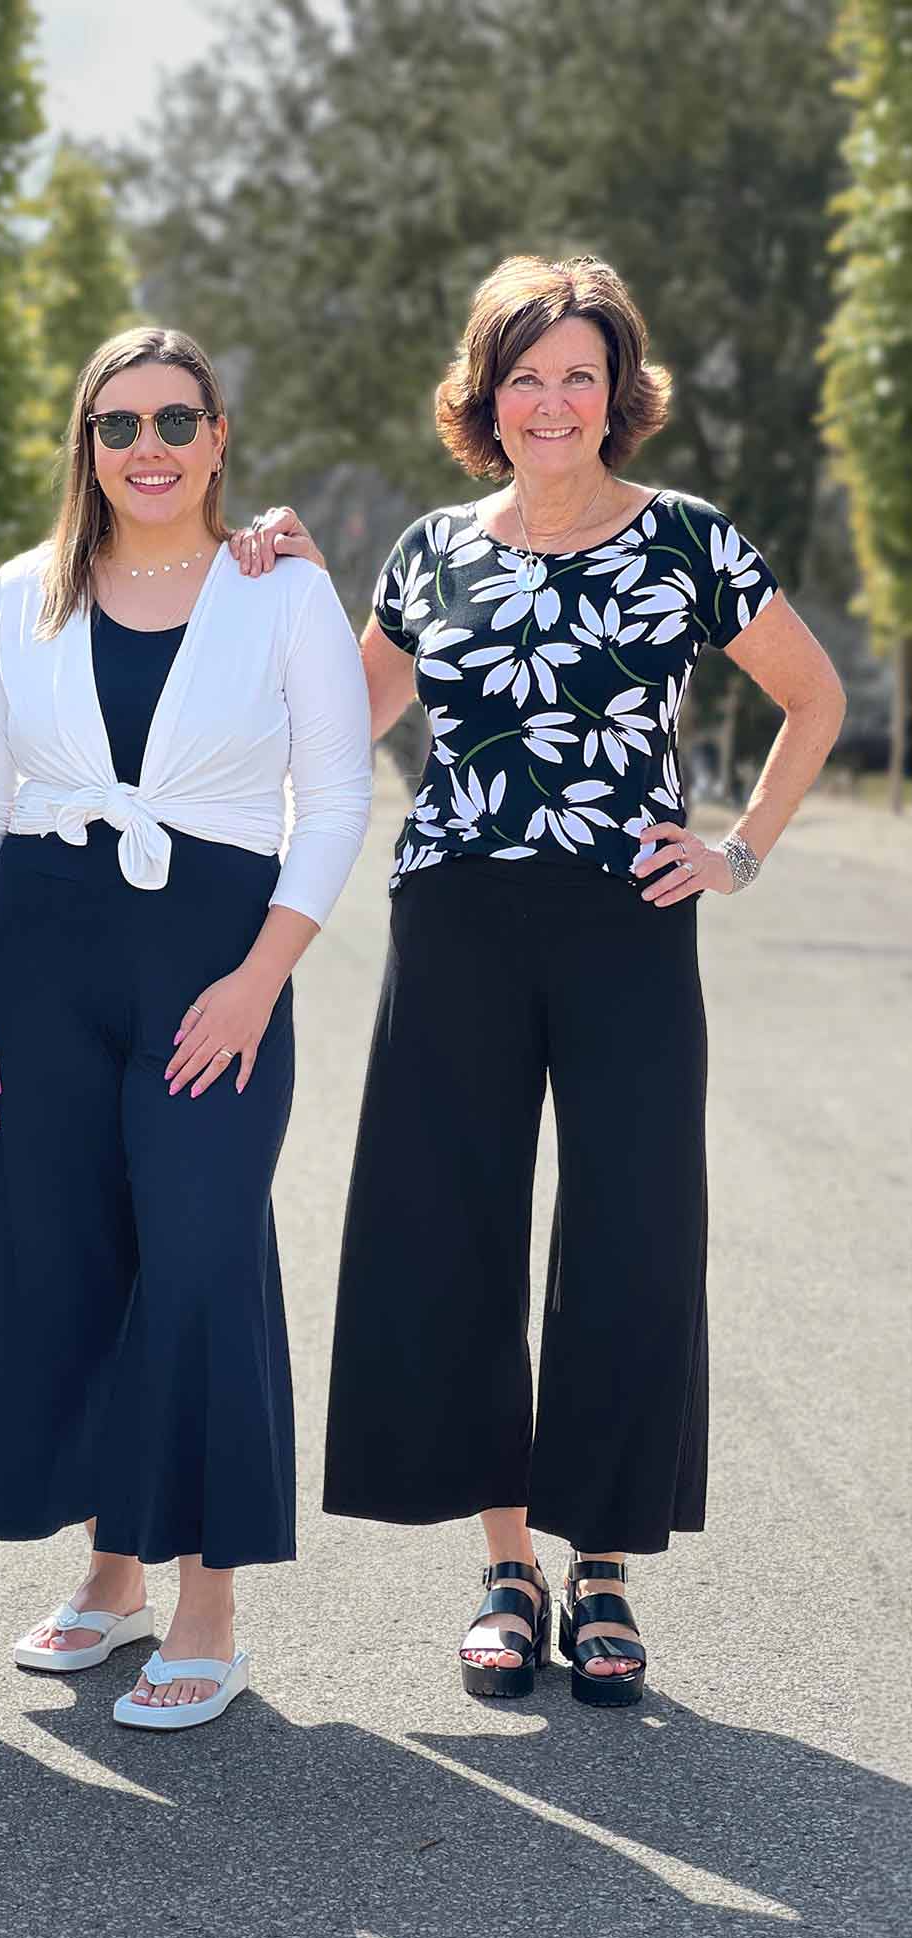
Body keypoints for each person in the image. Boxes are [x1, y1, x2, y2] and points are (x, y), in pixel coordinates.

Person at [234, 255, 845, 1706]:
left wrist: (738, 853)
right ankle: (506, 1564)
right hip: (457, 921)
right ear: (485, 395)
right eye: (526, 376)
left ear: (616, 393)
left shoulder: (687, 538)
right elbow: (340, 713)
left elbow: (812, 696)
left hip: (628, 918)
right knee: (452, 1233)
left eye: (580, 375)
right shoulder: (437, 551)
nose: (552, 402)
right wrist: (292, 590)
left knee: (632, 1238)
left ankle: (605, 1569)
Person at [0, 326, 373, 1730]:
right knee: (66, 1261)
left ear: (220, 435)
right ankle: (111, 1574)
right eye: (119, 425)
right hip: (40, 966)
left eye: (176, 420)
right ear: (88, 444)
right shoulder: (22, 597)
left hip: (214, 960)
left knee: (197, 1255)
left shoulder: (284, 592)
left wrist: (263, 974)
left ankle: (208, 1600)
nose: (150, 448)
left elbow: (341, 797)